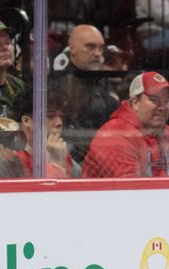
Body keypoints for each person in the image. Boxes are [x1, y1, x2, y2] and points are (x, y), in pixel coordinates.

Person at [83, 71, 169, 178]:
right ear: (135, 103)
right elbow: (132, 191)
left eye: (166, 101)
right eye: (154, 100)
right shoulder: (116, 134)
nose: (162, 107)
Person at [48, 24, 120, 164]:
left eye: (101, 48)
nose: (98, 53)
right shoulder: (59, 85)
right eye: (90, 47)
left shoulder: (103, 82)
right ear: (73, 49)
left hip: (103, 158)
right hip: (73, 161)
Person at [10, 86, 79, 178]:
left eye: (61, 116)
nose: (59, 123)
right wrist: (56, 165)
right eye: (50, 116)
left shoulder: (61, 153)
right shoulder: (10, 159)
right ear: (26, 121)